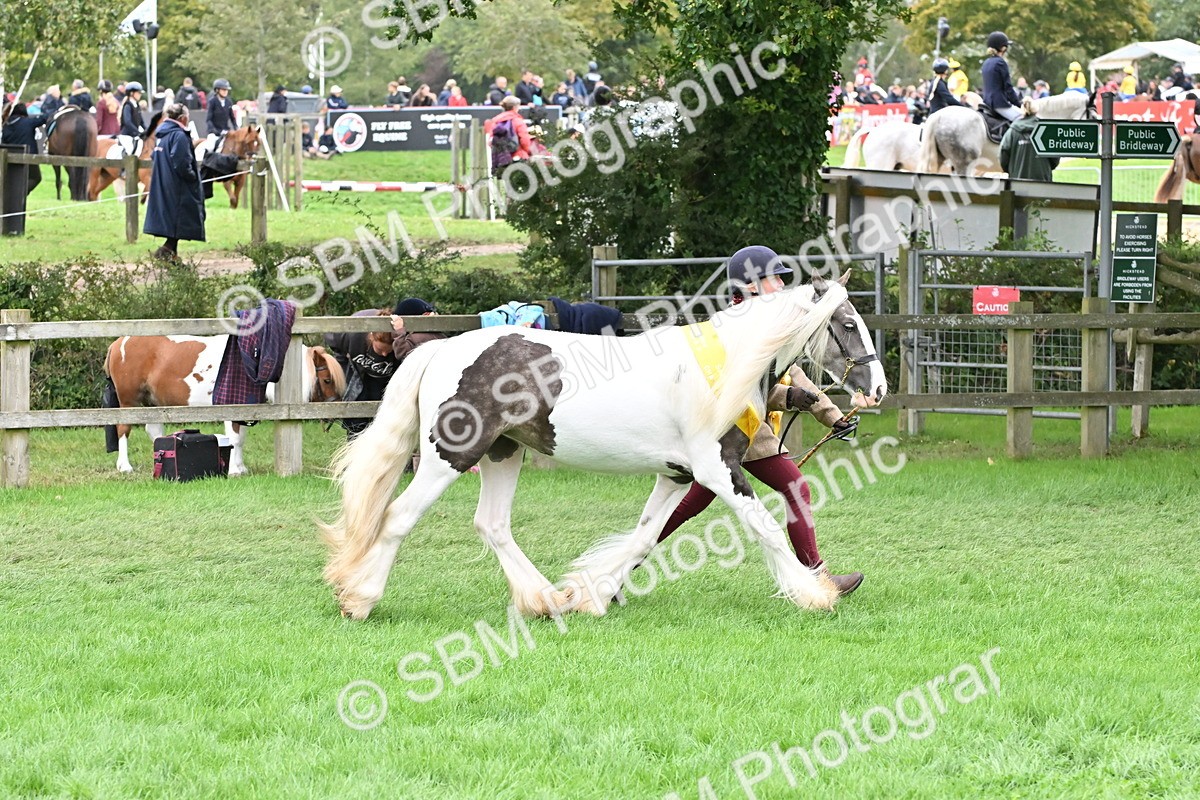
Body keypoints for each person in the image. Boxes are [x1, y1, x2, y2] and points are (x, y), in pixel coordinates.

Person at [649, 245, 864, 596]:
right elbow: (742, 386)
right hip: (737, 429)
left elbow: (792, 373)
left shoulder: (771, 324)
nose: (781, 284)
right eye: (773, 278)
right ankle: (817, 577)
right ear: (749, 285)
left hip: (745, 434)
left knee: (687, 506)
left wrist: (832, 416)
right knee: (798, 489)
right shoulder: (732, 329)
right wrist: (789, 398)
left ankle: (622, 567)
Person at [323, 309, 403, 437]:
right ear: (371, 337)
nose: (384, 354)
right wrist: (344, 360)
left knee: (386, 417)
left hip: (388, 379)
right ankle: (354, 445)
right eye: (380, 349)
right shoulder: (352, 333)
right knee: (356, 412)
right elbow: (332, 340)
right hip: (358, 374)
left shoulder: (399, 342)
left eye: (388, 351)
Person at [143, 103, 205, 262]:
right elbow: (181, 162)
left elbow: (154, 157)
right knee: (180, 217)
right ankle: (166, 251)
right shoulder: (179, 135)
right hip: (178, 186)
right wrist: (192, 176)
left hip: (164, 182)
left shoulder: (162, 135)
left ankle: (172, 255)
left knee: (174, 220)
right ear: (183, 118)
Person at [1000, 106, 1059, 182]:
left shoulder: (1011, 132)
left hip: (1017, 181)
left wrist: (1012, 170)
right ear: (1036, 111)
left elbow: (1003, 155)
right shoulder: (1046, 130)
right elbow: (1055, 157)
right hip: (1043, 182)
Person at [1, 102, 49, 195]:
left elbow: (4, 143)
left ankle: (17, 194)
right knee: (36, 178)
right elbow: (44, 118)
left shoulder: (6, 125)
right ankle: (19, 194)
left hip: (11, 159)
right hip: (29, 156)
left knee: (14, 180)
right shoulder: (27, 122)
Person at [981, 31, 1022, 122]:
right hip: (999, 104)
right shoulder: (1000, 62)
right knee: (1025, 120)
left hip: (987, 102)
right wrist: (1019, 104)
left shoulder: (986, 62)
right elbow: (1008, 88)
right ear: (1003, 48)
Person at [484, 95, 532, 172]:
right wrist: (528, 151)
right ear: (515, 107)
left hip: (502, 159)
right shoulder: (518, 121)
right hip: (518, 156)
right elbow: (524, 140)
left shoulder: (496, 121)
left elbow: (490, 141)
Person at [206, 78, 238, 146]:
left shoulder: (228, 102)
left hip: (226, 131)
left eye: (226, 90)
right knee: (210, 146)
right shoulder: (212, 102)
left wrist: (236, 128)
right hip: (214, 132)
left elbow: (232, 118)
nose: (225, 92)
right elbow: (208, 120)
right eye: (223, 90)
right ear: (217, 90)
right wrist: (214, 130)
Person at [118, 81, 146, 155]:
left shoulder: (137, 105)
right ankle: (125, 166)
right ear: (131, 93)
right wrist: (137, 132)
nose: (140, 95)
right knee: (130, 149)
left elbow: (141, 122)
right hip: (126, 135)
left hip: (134, 135)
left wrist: (147, 131)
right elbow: (127, 122)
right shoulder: (127, 106)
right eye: (138, 93)